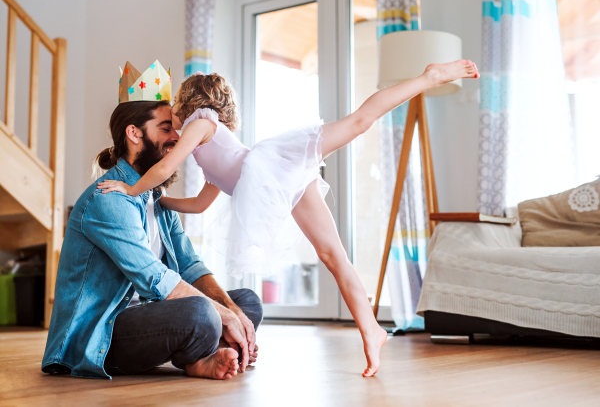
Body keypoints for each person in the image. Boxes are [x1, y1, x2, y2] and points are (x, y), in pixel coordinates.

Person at [98, 60, 481, 376]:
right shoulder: (207, 151)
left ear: (187, 103)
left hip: (276, 165)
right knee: (334, 256)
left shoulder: (201, 121)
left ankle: (427, 77)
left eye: (171, 118)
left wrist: (132, 190)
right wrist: (160, 202)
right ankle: (372, 332)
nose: (171, 126)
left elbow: (165, 166)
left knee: (357, 122)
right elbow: (198, 205)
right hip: (276, 183)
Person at [42, 98, 262, 380]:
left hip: (150, 314)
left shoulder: (156, 199)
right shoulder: (108, 199)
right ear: (134, 134)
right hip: (100, 333)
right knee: (202, 313)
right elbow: (154, 278)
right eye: (166, 128)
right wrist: (224, 316)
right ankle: (202, 352)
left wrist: (233, 311)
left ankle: (203, 352)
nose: (176, 137)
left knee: (247, 303)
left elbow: (190, 265)